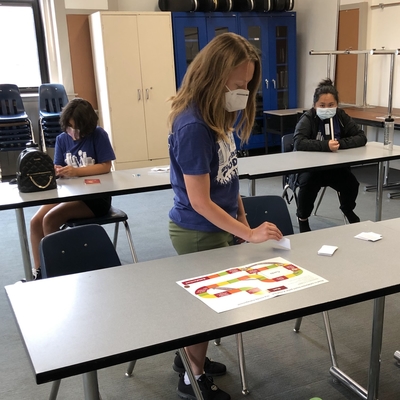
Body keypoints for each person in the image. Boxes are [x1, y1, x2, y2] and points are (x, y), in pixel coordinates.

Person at [168, 32, 283, 400]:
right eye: (237, 84)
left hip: (218, 224)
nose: (243, 92)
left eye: (246, 85)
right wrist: (248, 235)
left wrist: (243, 223)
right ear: (213, 78)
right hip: (198, 229)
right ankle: (192, 376)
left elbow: (228, 180)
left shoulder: (219, 115)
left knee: (210, 302)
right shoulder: (192, 126)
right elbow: (201, 201)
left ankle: (186, 359)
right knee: (206, 307)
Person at [30, 98, 116, 279]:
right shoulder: (62, 139)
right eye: (69, 127)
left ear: (87, 126)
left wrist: (77, 172)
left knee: (50, 219)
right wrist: (56, 170)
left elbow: (105, 166)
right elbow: (57, 166)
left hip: (94, 200)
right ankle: (40, 272)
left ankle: (57, 272)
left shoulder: (98, 135)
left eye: (76, 128)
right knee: (35, 221)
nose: (73, 132)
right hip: (68, 194)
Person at [293, 78, 367, 233]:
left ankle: (347, 209)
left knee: (351, 184)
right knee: (307, 186)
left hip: (335, 167)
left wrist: (340, 143)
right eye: (322, 105)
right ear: (314, 105)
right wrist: (325, 146)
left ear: (337, 105)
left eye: (331, 105)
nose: (327, 108)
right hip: (311, 168)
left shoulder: (340, 116)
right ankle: (303, 219)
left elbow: (361, 136)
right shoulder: (308, 118)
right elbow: (299, 142)